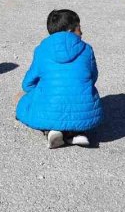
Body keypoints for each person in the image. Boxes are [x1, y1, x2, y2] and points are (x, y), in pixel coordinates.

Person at [16, 9, 102, 148]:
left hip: (51, 107)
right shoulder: (87, 49)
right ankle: (77, 133)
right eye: (79, 28)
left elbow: (27, 83)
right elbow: (93, 77)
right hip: (82, 110)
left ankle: (51, 130)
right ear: (70, 31)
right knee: (77, 99)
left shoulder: (41, 49)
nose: (81, 32)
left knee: (27, 101)